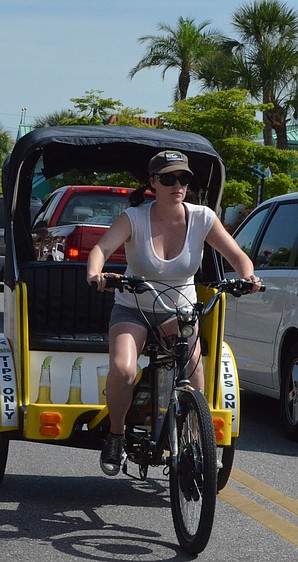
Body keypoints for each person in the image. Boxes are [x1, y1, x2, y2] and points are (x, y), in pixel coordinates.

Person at [86, 150, 261, 477]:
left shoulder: (202, 217)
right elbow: (101, 249)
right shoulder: (134, 217)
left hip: (178, 310)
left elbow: (237, 257)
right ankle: (116, 435)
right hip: (134, 307)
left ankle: (194, 439)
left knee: (194, 371)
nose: (177, 185)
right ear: (152, 182)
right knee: (123, 370)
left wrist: (248, 277)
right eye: (168, 178)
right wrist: (96, 273)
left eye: (183, 178)